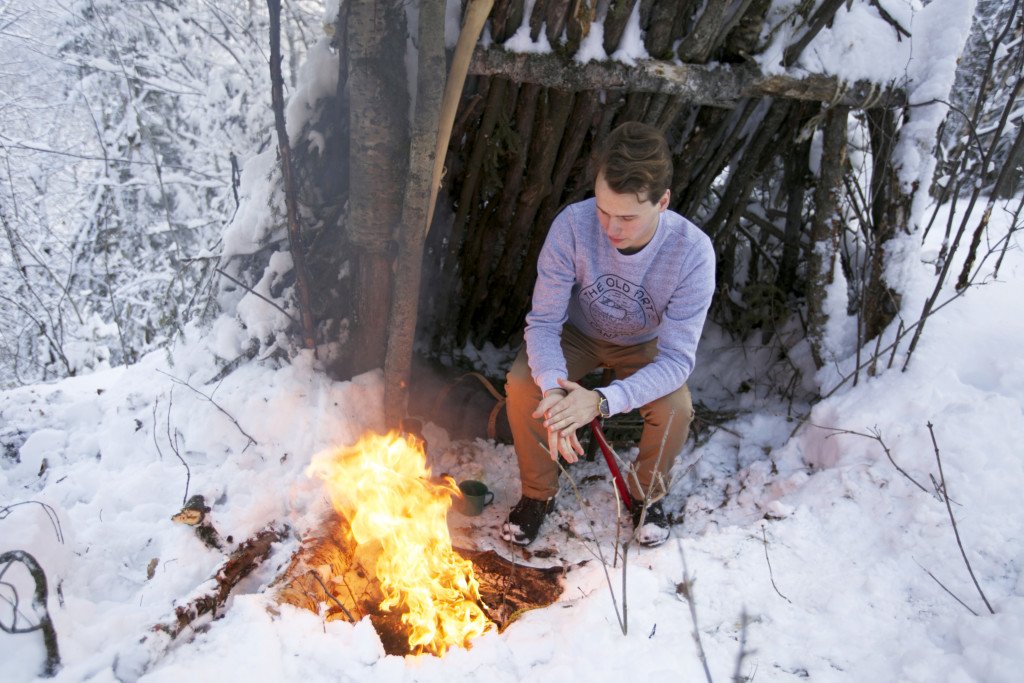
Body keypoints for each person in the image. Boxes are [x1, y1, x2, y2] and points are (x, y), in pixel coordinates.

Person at [500, 121, 716, 548]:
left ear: (663, 202)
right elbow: (543, 322)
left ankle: (644, 496)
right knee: (523, 384)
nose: (611, 228)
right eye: (603, 210)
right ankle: (537, 495)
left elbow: (676, 360)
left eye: (628, 217)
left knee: (675, 407)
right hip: (577, 334)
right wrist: (554, 389)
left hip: (644, 344)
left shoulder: (692, 252)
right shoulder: (573, 226)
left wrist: (601, 401)